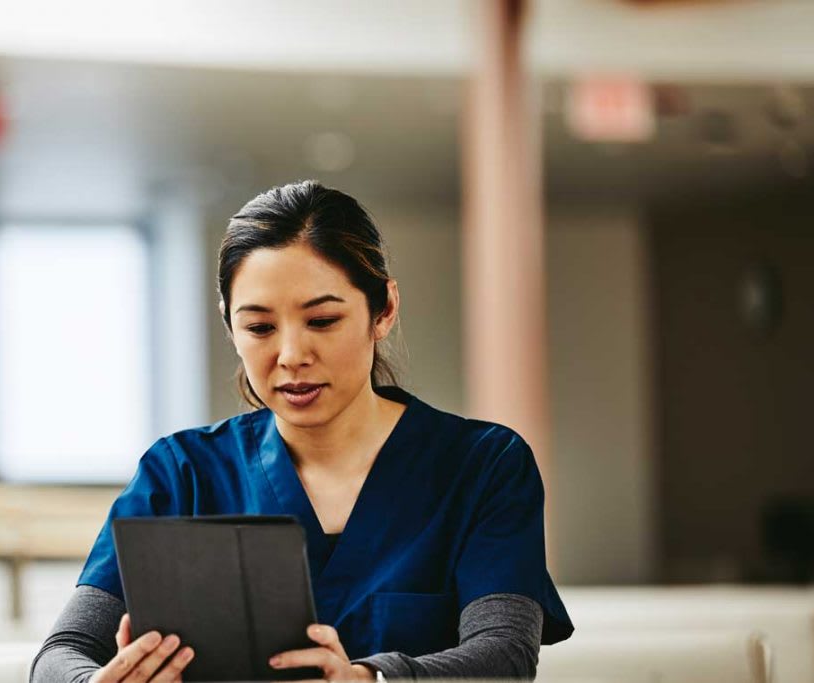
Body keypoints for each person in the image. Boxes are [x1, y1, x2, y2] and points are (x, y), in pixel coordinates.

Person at [30, 180, 573, 683]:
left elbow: (505, 655)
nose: (291, 356)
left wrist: (371, 678)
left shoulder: (482, 465)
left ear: (382, 310)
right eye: (260, 327)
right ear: (230, 326)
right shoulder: (181, 473)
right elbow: (62, 652)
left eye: (322, 321)